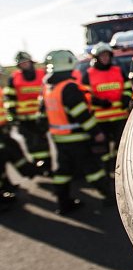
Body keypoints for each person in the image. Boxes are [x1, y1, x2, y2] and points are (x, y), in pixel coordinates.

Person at [41, 50, 114, 214]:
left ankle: (63, 204)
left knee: (62, 172)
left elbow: (43, 113)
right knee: (92, 169)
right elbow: (81, 114)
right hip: (77, 138)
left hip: (59, 139)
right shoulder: (69, 87)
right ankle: (109, 196)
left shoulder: (49, 87)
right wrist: (96, 132)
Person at [81, 42, 132, 177]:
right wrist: (98, 101)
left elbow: (127, 88)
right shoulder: (89, 74)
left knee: (121, 146)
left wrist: (126, 97)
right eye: (102, 56)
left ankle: (119, 171)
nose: (105, 58)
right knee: (101, 149)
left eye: (107, 55)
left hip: (120, 117)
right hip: (100, 119)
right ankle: (105, 171)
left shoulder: (118, 70)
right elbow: (85, 95)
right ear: (96, 58)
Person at [2, 51, 53, 176]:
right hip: (24, 119)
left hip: (42, 117)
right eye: (22, 64)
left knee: (44, 141)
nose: (24, 65)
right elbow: (10, 98)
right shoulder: (14, 78)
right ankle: (39, 165)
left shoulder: (42, 74)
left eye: (26, 62)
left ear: (31, 62)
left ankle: (48, 165)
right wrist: (12, 115)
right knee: (31, 143)